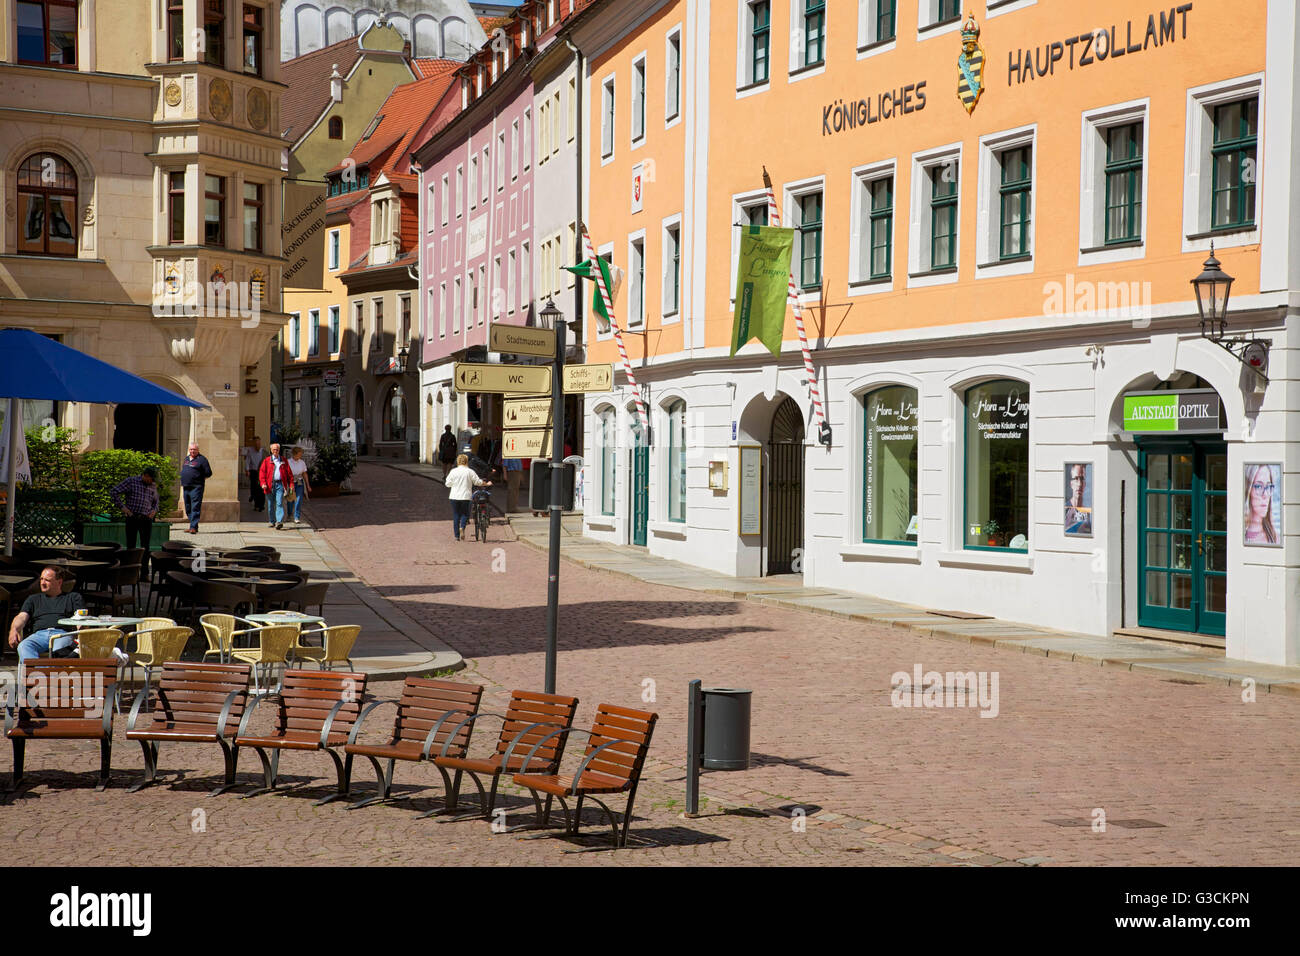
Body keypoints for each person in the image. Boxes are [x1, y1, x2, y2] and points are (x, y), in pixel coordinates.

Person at [8, 567, 84, 668]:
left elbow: (81, 618)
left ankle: (42, 677)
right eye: (41, 579)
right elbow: (21, 617)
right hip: (39, 635)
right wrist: (14, 630)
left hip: (62, 634)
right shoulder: (33, 599)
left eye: (47, 580)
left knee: (59, 651)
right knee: (24, 646)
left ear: (59, 582)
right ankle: (42, 675)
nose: (42, 583)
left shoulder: (72, 597)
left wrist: (81, 630)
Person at [110, 467, 159, 568]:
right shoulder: (131, 481)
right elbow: (114, 492)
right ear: (145, 476)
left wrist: (154, 511)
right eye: (151, 479)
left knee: (145, 547)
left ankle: (144, 573)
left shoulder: (152, 485)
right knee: (131, 545)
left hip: (146, 518)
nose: (153, 481)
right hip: (133, 517)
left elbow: (156, 501)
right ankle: (129, 570)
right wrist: (123, 508)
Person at [445, 453, 491, 541]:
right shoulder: (470, 471)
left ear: (458, 461)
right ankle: (462, 527)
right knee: (465, 514)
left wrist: (454, 484)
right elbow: (478, 482)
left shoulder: (453, 471)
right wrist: (486, 483)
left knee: (456, 515)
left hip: (454, 496)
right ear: (466, 461)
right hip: (466, 496)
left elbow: (447, 484)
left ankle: (457, 536)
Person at [258, 442, 293, 530]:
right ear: (271, 450)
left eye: (277, 449)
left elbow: (289, 474)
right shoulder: (266, 461)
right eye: (274, 449)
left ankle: (279, 521)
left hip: (280, 484)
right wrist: (263, 483)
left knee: (279, 502)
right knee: (270, 505)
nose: (275, 451)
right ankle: (272, 520)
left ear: (279, 450)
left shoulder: (284, 461)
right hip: (269, 485)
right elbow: (262, 473)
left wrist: (291, 484)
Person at [180, 442, 213, 535]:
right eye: (191, 449)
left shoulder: (202, 460)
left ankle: (193, 527)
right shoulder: (186, 459)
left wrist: (199, 479)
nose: (192, 451)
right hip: (186, 486)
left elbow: (208, 473)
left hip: (196, 487)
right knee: (188, 507)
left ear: (198, 450)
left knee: (195, 507)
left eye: (194, 449)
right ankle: (193, 525)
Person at [1244, 463, 1278, 545]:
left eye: (1269, 486)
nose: (1265, 494)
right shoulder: (1241, 533)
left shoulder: (1274, 537)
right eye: (1259, 486)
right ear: (1248, 490)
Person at [1064, 464, 1092, 535]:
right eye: (1076, 478)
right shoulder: (1064, 510)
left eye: (1082, 479)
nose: (1079, 484)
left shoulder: (1088, 513)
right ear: (1071, 484)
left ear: (1084, 484)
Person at [288, 446, 311, 525]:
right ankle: (289, 514)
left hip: (299, 483)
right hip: (291, 482)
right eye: (299, 454)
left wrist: (308, 485)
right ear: (294, 454)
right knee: (290, 500)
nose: (300, 456)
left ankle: (297, 517)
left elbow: (305, 474)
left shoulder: (302, 462)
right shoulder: (288, 462)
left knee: (299, 499)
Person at [244, 437, 268, 512]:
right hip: (253, 472)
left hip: (262, 472)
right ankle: (256, 504)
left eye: (259, 443)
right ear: (253, 444)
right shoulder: (250, 451)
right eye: (256, 443)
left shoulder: (264, 452)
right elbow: (247, 461)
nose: (258, 445)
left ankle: (261, 505)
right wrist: (247, 470)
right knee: (255, 489)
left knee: (262, 488)